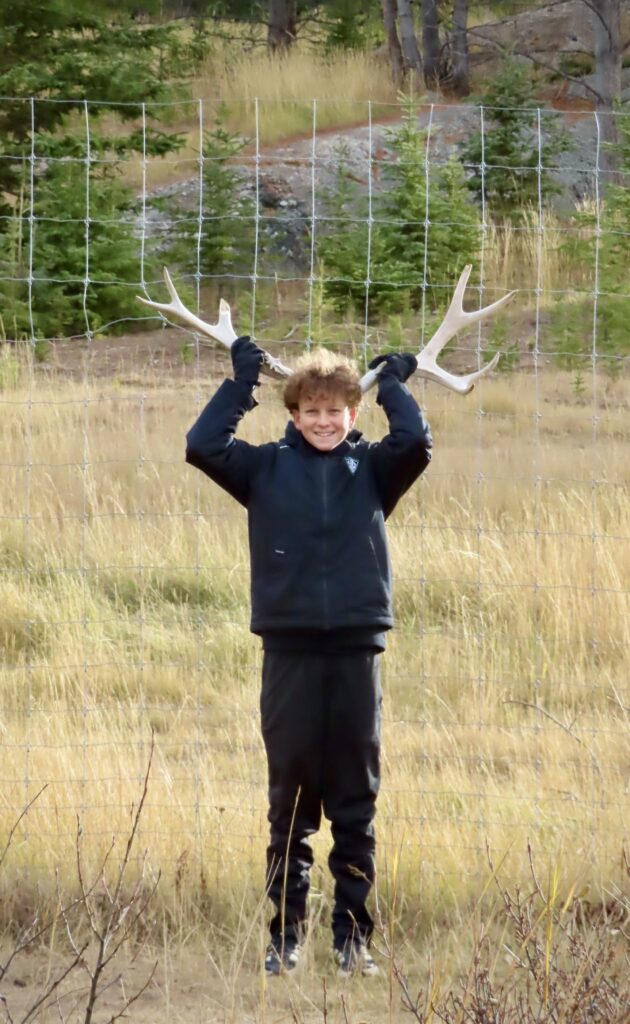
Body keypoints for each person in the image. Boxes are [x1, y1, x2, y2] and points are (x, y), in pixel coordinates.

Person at [185, 337, 432, 977]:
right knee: (290, 804)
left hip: (356, 650)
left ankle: (353, 939)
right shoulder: (263, 469)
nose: (324, 421)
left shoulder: (377, 469)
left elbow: (416, 443)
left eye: (336, 409)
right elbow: (202, 444)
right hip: (289, 652)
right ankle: (285, 938)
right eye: (312, 410)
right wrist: (243, 382)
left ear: (356, 412)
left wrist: (395, 382)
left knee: (355, 801)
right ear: (293, 414)